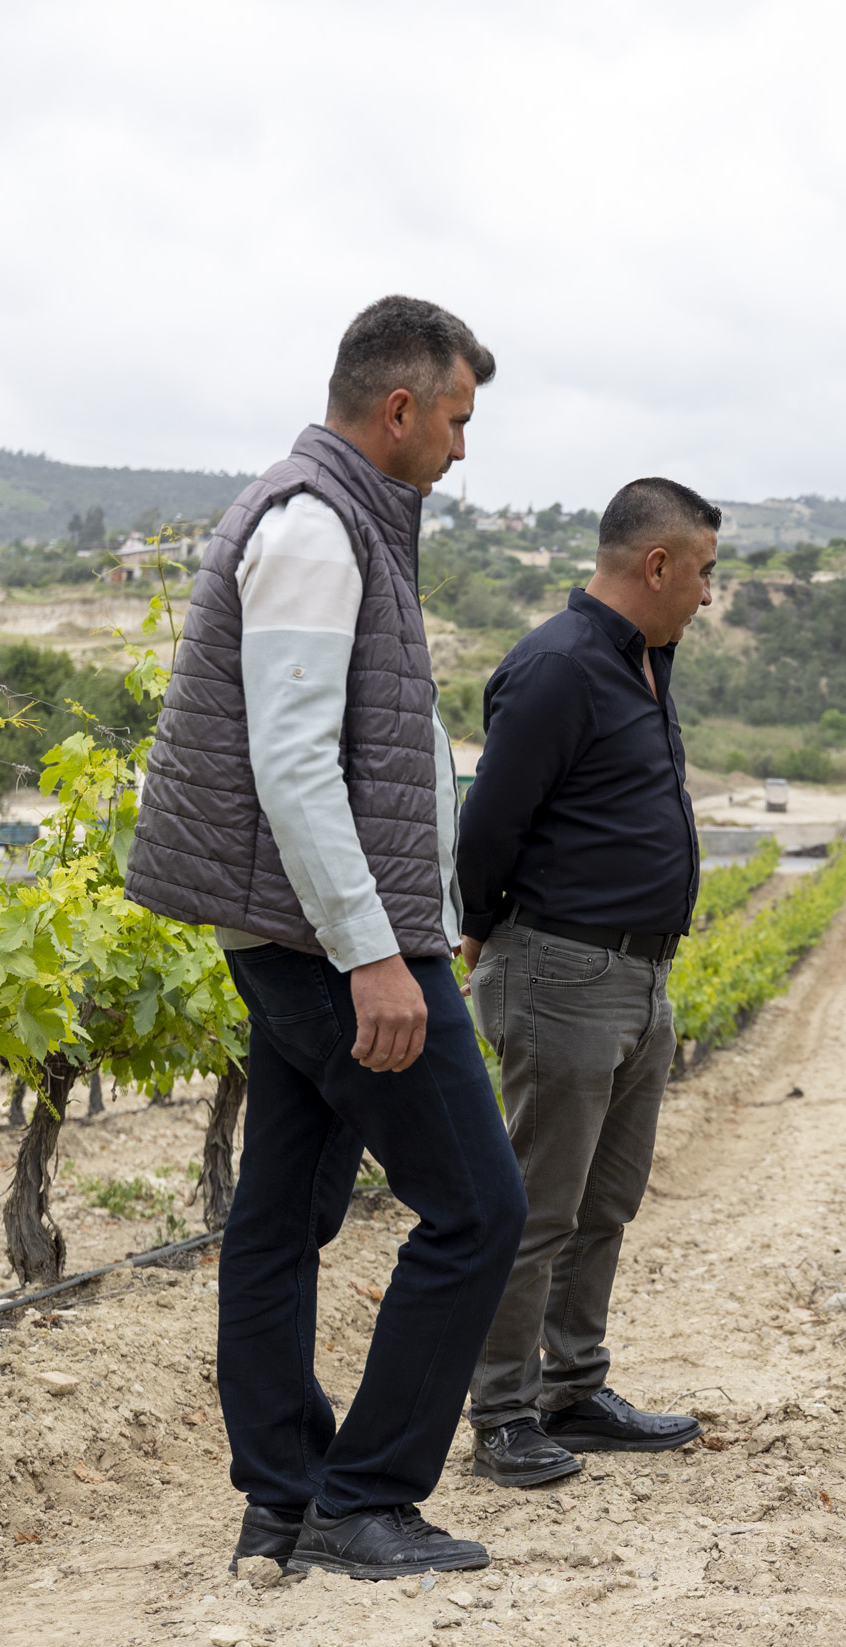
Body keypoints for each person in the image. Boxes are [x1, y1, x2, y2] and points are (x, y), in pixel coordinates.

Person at [124, 295, 523, 1579]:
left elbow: (370, 751)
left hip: (307, 936)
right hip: (332, 947)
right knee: (479, 1208)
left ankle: (285, 1498)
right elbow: (294, 765)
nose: (461, 447)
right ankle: (365, 1495)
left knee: (281, 1216)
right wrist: (376, 954)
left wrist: (415, 923)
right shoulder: (315, 527)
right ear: (399, 408)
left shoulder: (336, 516)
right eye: (455, 418)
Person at [453, 477, 722, 1487]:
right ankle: (502, 1411)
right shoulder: (558, 665)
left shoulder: (645, 659)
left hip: (639, 973)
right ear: (656, 563)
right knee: (538, 1207)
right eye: (702, 571)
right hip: (563, 968)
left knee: (604, 1200)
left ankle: (572, 1387)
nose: (707, 593)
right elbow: (488, 821)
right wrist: (484, 929)